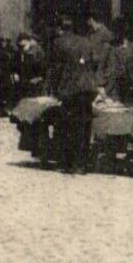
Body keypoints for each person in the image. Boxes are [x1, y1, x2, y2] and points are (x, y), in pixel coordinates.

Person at [47, 12, 100, 173]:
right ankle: (82, 164)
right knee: (84, 125)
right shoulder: (86, 42)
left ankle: (66, 162)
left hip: (69, 89)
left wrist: (54, 90)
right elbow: (94, 63)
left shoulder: (58, 43)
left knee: (66, 126)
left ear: (59, 28)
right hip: (88, 88)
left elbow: (55, 69)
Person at [104, 16, 133, 107]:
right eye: (115, 31)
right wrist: (101, 87)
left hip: (130, 89)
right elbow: (101, 67)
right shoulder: (109, 47)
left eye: (119, 30)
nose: (117, 34)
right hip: (114, 90)